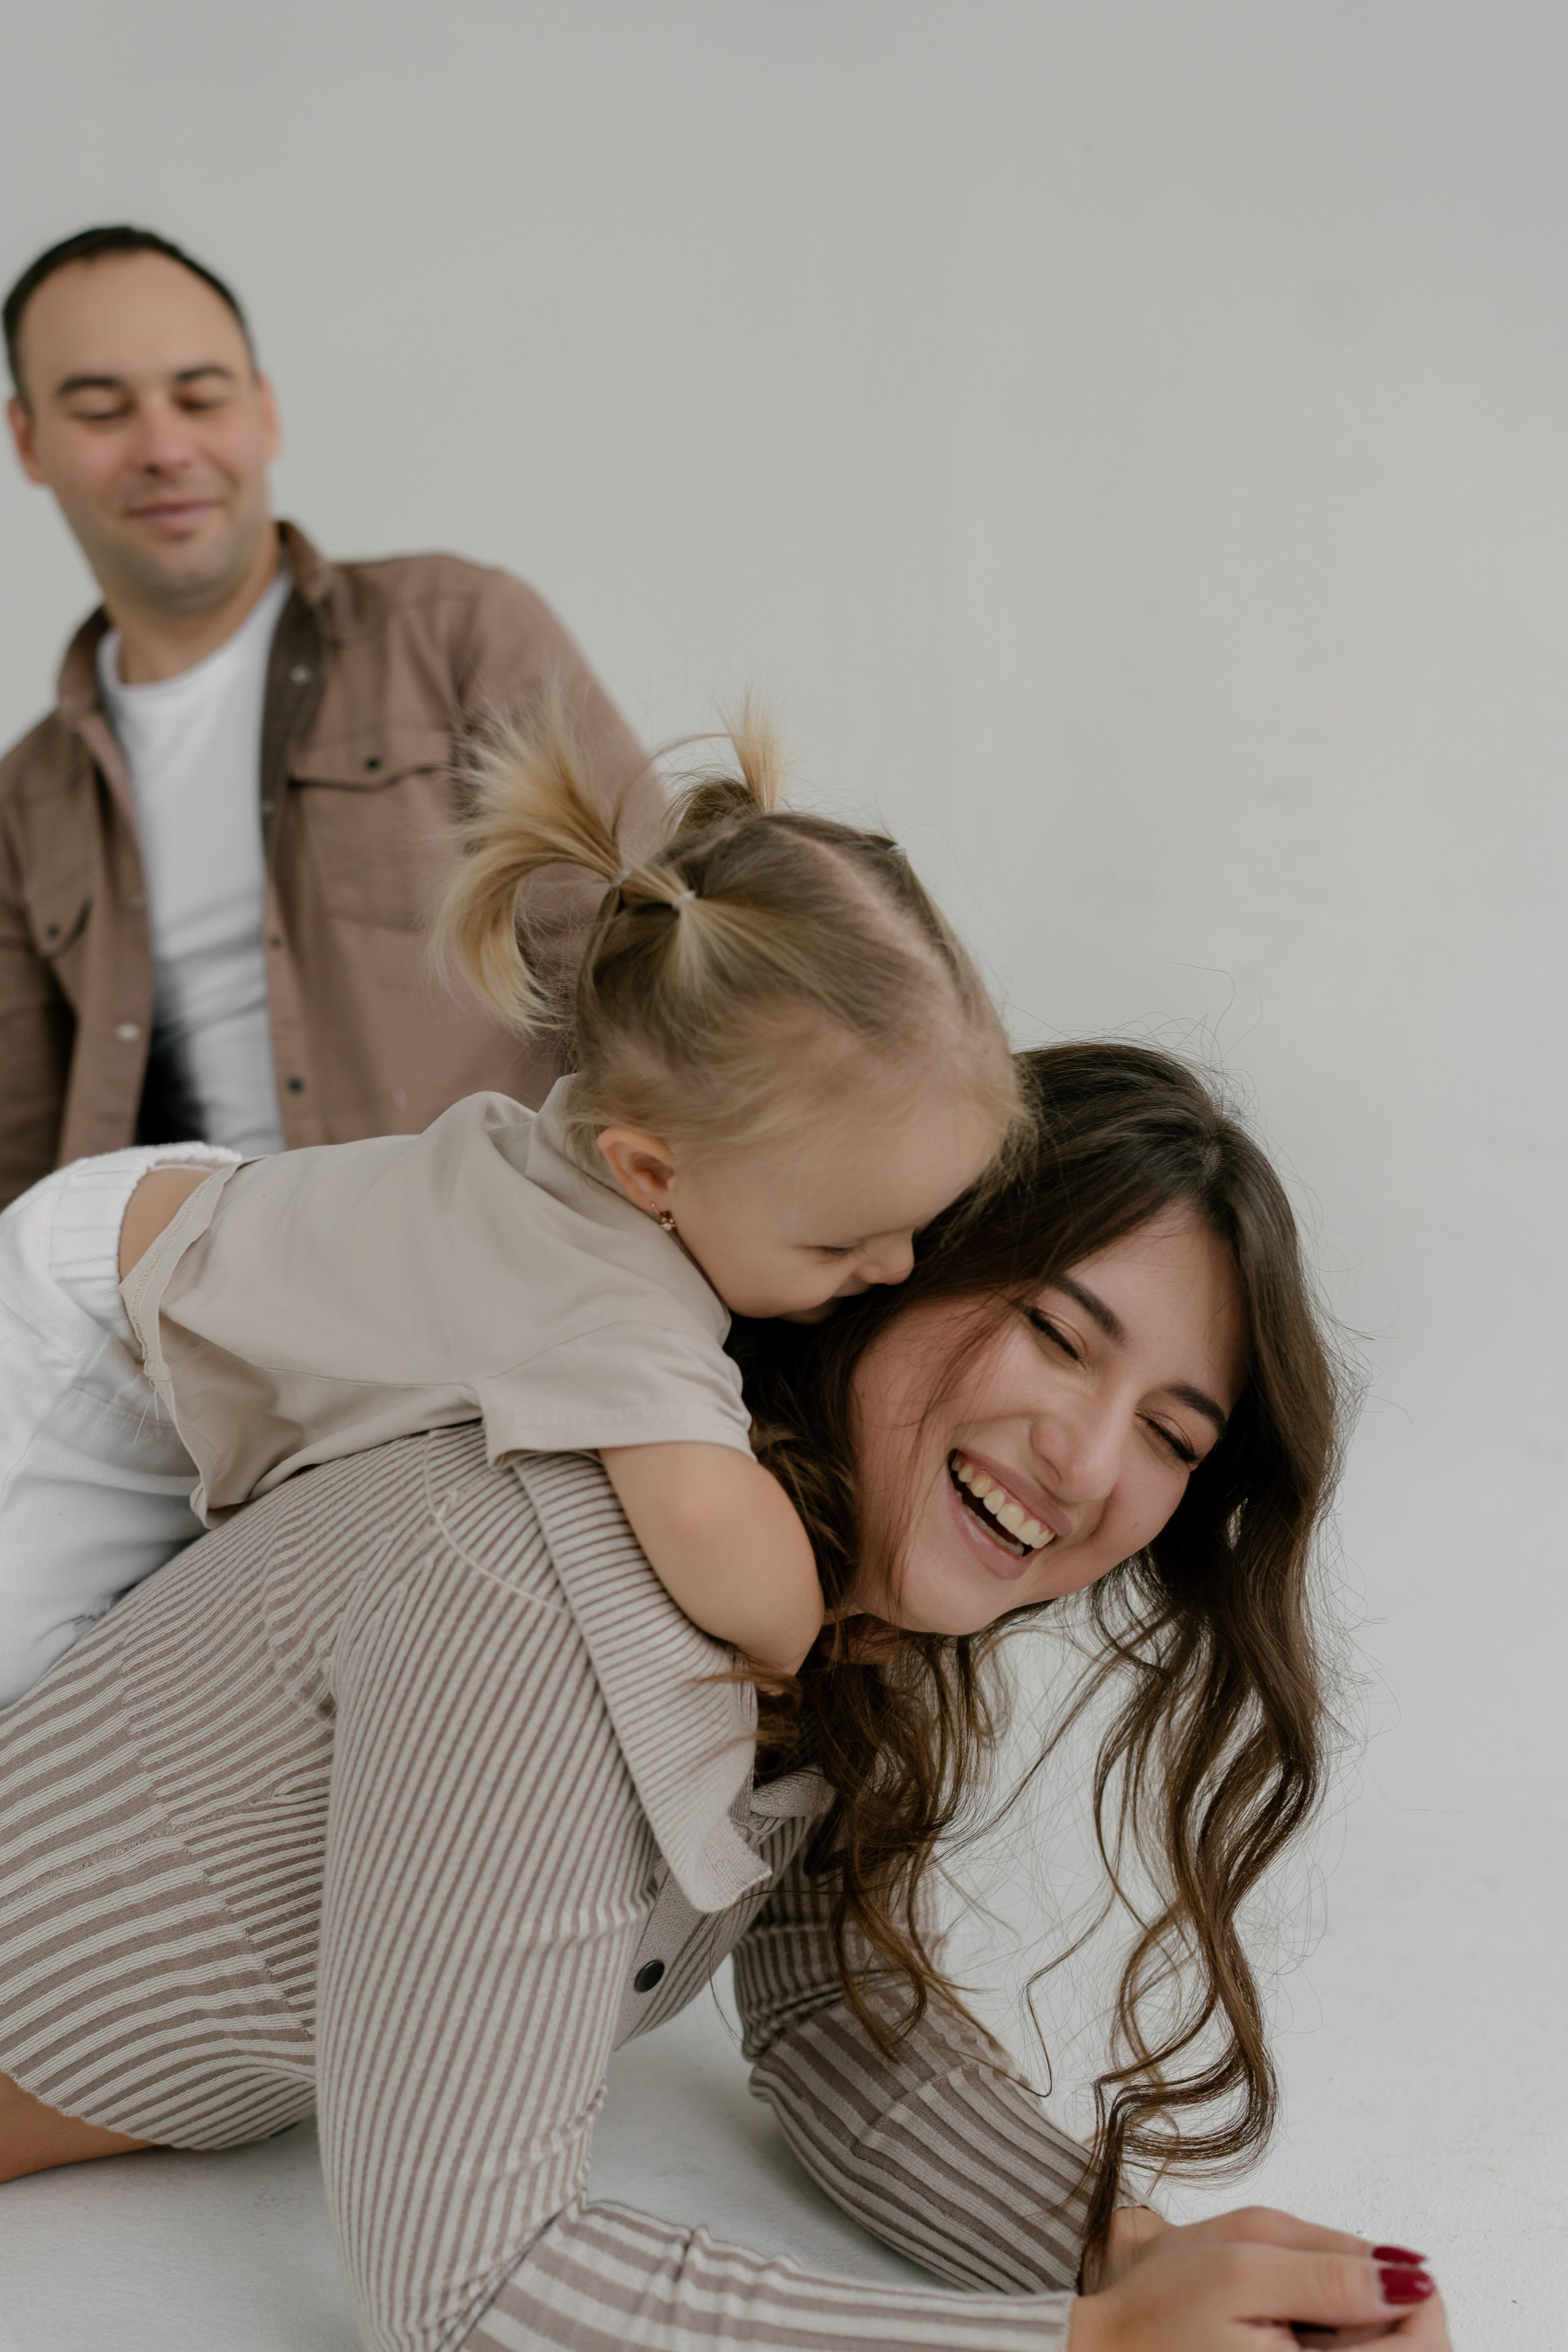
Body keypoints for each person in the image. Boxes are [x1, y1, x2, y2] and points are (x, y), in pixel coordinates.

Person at [0, 1042, 1451, 2349]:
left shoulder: (833, 1618)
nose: (1081, 1465)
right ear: (891, 1265)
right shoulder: (538, 1581)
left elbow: (830, 2015)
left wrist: (1140, 2263)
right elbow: (464, 2289)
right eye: (1057, 1335)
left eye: (1168, 1435)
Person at [0, 713, 1019, 1703]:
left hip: (200, 1248)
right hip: (93, 1343)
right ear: (652, 1176)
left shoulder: (633, 1141)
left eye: (915, 1230)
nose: (893, 1268)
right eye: (842, 1242)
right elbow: (723, 1549)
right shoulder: (606, 1300)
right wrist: (825, 1621)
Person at [0, 224, 655, 1211]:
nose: (164, 447)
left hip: (495, 1267)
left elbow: (652, 974)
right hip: (188, 1315)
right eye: (101, 411)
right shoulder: (24, 798)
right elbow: (18, 1146)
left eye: (200, 397)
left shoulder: (458, 633)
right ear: (29, 443)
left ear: (263, 414)